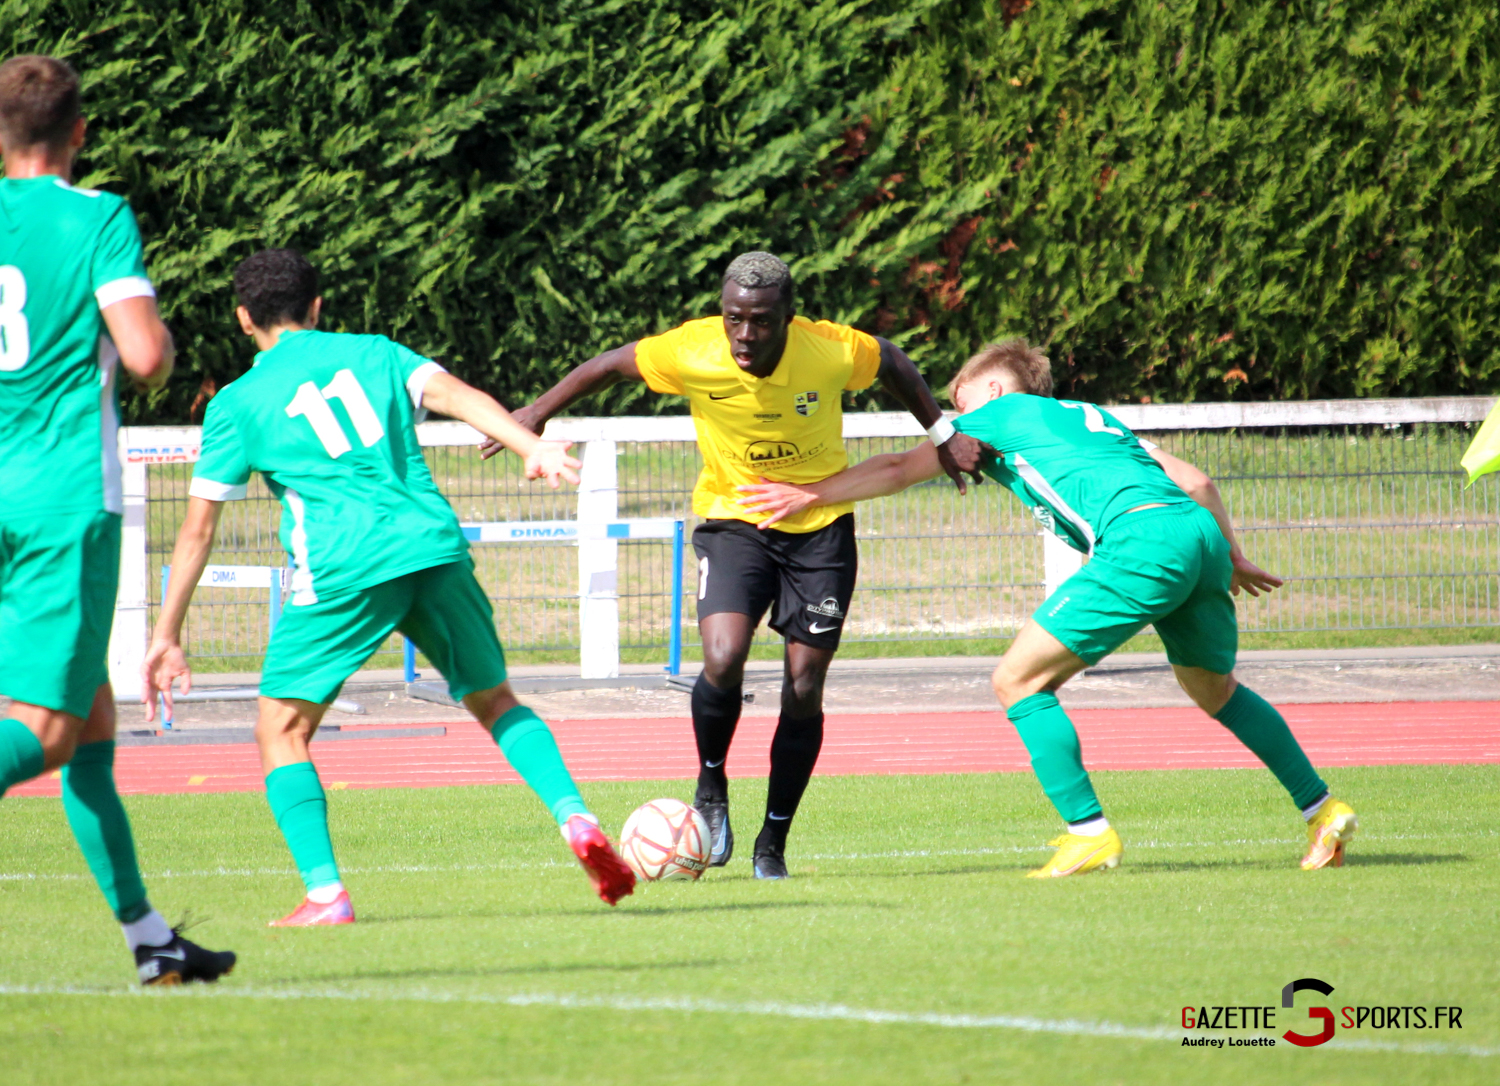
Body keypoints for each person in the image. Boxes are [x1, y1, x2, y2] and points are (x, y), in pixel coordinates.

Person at [737, 337, 1357, 875]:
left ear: (996, 386)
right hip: (1197, 537)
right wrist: (1232, 555)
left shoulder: (1001, 413)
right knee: (1215, 688)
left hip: (1142, 543)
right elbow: (1197, 482)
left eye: (959, 402)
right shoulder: (1092, 416)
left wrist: (808, 495)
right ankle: (1323, 809)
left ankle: (1089, 834)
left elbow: (901, 467)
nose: (954, 420)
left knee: (1017, 680)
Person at [143, 248, 635, 924]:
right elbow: (459, 397)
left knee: (280, 729)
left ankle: (325, 893)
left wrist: (166, 635)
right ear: (318, 308)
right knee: (495, 701)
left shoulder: (238, 404)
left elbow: (197, 531)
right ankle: (575, 817)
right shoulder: (376, 352)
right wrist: (532, 448)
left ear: (241, 319)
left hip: (345, 566)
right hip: (431, 544)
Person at [487, 252, 985, 878]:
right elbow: (612, 365)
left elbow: (891, 361)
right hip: (733, 520)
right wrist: (537, 411)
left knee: (803, 688)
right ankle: (711, 785)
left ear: (789, 318)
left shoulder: (828, 350)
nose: (745, 335)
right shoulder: (693, 350)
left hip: (819, 530)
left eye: (761, 321)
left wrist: (942, 435)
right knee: (723, 656)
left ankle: (771, 843)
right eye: (734, 319)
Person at [0, 55, 237, 983]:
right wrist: (169, 344)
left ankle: (151, 943)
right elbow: (143, 356)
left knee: (92, 725)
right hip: (63, 498)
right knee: (50, 732)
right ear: (81, 132)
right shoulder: (94, 215)